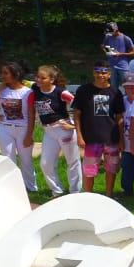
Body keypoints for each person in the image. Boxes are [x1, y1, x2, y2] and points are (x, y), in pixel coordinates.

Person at [72, 61, 125, 197]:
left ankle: (109, 195)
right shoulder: (83, 90)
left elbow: (119, 117)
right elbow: (77, 114)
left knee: (112, 168)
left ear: (109, 74)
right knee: (89, 169)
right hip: (90, 137)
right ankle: (88, 195)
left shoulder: (115, 92)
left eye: (103, 72)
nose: (100, 75)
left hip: (111, 137)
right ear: (93, 72)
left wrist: (121, 139)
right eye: (97, 72)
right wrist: (79, 135)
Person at [29, 64, 80, 198]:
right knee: (45, 163)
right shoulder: (35, 88)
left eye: (43, 78)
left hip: (64, 129)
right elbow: (18, 83)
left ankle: (75, 191)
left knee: (72, 161)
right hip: (49, 131)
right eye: (37, 77)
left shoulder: (61, 92)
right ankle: (57, 190)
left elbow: (79, 105)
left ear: (52, 80)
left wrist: (74, 126)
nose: (39, 80)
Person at [0, 60, 36, 191]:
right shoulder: (1, 91)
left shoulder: (28, 92)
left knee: (26, 160)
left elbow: (32, 116)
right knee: (7, 158)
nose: (2, 76)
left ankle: (31, 187)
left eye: (5, 73)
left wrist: (29, 135)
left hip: (23, 129)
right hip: (4, 128)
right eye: (2, 73)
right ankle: (12, 187)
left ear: (16, 74)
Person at [117, 74, 134, 197]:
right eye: (127, 87)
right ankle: (127, 190)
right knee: (127, 166)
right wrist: (120, 139)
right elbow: (119, 120)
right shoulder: (122, 101)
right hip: (126, 138)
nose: (131, 90)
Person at [101, 22, 134, 86]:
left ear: (116, 30)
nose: (110, 34)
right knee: (113, 87)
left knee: (127, 86)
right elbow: (103, 46)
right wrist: (107, 51)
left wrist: (120, 54)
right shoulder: (108, 37)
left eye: (111, 32)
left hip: (123, 66)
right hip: (111, 66)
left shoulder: (126, 38)